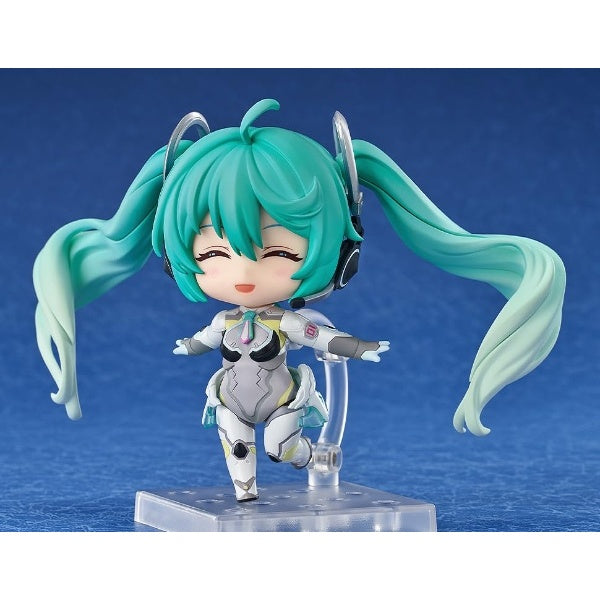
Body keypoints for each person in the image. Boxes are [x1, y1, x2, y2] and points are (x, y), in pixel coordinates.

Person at [33, 98, 565, 501]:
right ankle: (245, 493)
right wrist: (190, 346)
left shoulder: (285, 324)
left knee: (279, 447)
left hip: (283, 401)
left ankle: (309, 455)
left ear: (342, 258)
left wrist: (357, 347)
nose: (244, 273)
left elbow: (320, 337)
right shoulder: (224, 320)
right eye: (214, 252)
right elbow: (204, 339)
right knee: (237, 445)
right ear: (176, 259)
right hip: (232, 400)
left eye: (280, 253)